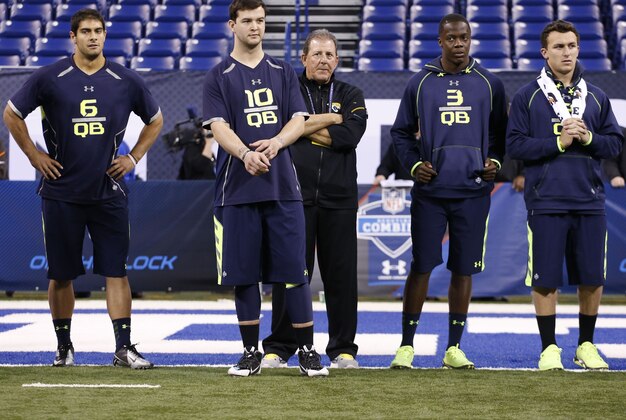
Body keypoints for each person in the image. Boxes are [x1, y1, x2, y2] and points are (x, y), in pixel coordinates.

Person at [3, 9, 163, 369]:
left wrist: (134, 157)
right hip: (61, 193)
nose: (94, 36)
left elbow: (156, 120)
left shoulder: (126, 79)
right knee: (60, 274)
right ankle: (64, 347)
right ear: (72, 37)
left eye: (99, 31)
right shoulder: (49, 77)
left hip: (108, 192)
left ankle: (124, 348)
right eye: (86, 31)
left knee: (117, 271)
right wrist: (33, 155)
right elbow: (12, 113)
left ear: (106, 35)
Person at [202, 0, 328, 377]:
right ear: (232, 25)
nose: (255, 27)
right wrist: (244, 154)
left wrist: (276, 143)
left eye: (260, 20)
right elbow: (219, 127)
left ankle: (307, 351)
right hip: (236, 190)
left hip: (282, 188)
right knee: (244, 274)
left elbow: (297, 120)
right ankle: (249, 353)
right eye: (247, 21)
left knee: (295, 273)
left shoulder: (283, 70)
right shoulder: (218, 75)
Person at [390, 13, 507, 369]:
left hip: (473, 192)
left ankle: (453, 348)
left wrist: (496, 163)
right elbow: (400, 133)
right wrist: (413, 166)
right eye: (452, 38)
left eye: (465, 38)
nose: (459, 44)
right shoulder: (420, 83)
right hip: (430, 193)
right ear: (440, 41)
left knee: (463, 270)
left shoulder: (490, 83)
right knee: (422, 266)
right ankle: (406, 345)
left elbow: (502, 136)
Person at [507, 20, 623, 371]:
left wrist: (588, 139)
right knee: (546, 278)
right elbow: (514, 145)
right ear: (545, 52)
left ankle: (586, 345)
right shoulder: (527, 96)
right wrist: (558, 142)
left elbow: (615, 143)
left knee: (592, 277)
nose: (567, 52)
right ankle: (550, 348)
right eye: (558, 46)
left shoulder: (597, 97)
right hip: (545, 200)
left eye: (571, 45)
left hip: (589, 199)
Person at [261, 29, 368, 369]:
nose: (323, 60)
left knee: (341, 276)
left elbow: (349, 136)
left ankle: (343, 349)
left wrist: (302, 126)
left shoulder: (352, 92)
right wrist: (332, 120)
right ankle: (279, 346)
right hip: (294, 196)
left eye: (329, 55)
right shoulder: (286, 88)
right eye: (317, 54)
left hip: (339, 198)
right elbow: (281, 129)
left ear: (337, 60)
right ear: (303, 58)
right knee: (290, 272)